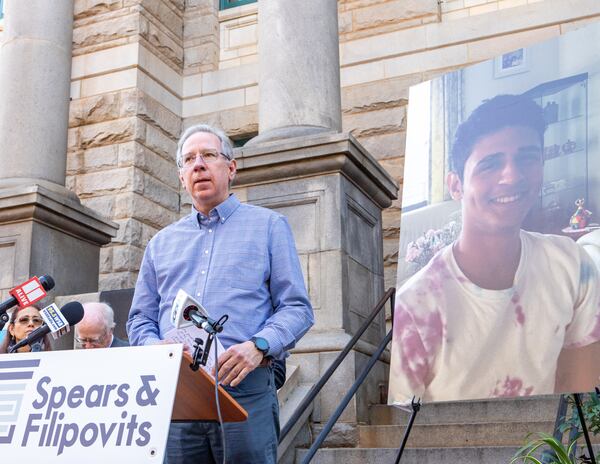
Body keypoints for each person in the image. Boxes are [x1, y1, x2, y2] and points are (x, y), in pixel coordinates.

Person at [389, 94, 600, 404]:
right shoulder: (416, 306)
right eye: (491, 164)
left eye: (527, 158)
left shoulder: (572, 265)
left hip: (548, 451)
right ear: (456, 185)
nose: (512, 176)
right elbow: (401, 432)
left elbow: (579, 404)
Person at [127, 124, 314, 463]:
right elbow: (139, 319)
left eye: (209, 155)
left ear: (231, 168)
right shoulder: (159, 245)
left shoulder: (269, 227)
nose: (198, 164)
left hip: (245, 387)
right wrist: (154, 348)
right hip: (176, 392)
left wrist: (258, 346)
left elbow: (297, 309)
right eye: (188, 159)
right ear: (182, 177)